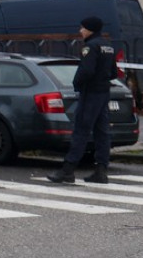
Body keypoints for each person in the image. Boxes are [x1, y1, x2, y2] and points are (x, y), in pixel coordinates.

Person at [48, 15, 118, 184]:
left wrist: (76, 84)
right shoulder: (108, 46)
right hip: (103, 93)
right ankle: (101, 170)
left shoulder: (90, 47)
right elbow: (114, 72)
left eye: (82, 28)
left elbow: (86, 71)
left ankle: (68, 170)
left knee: (81, 130)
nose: (80, 31)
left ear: (90, 29)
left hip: (91, 93)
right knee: (102, 132)